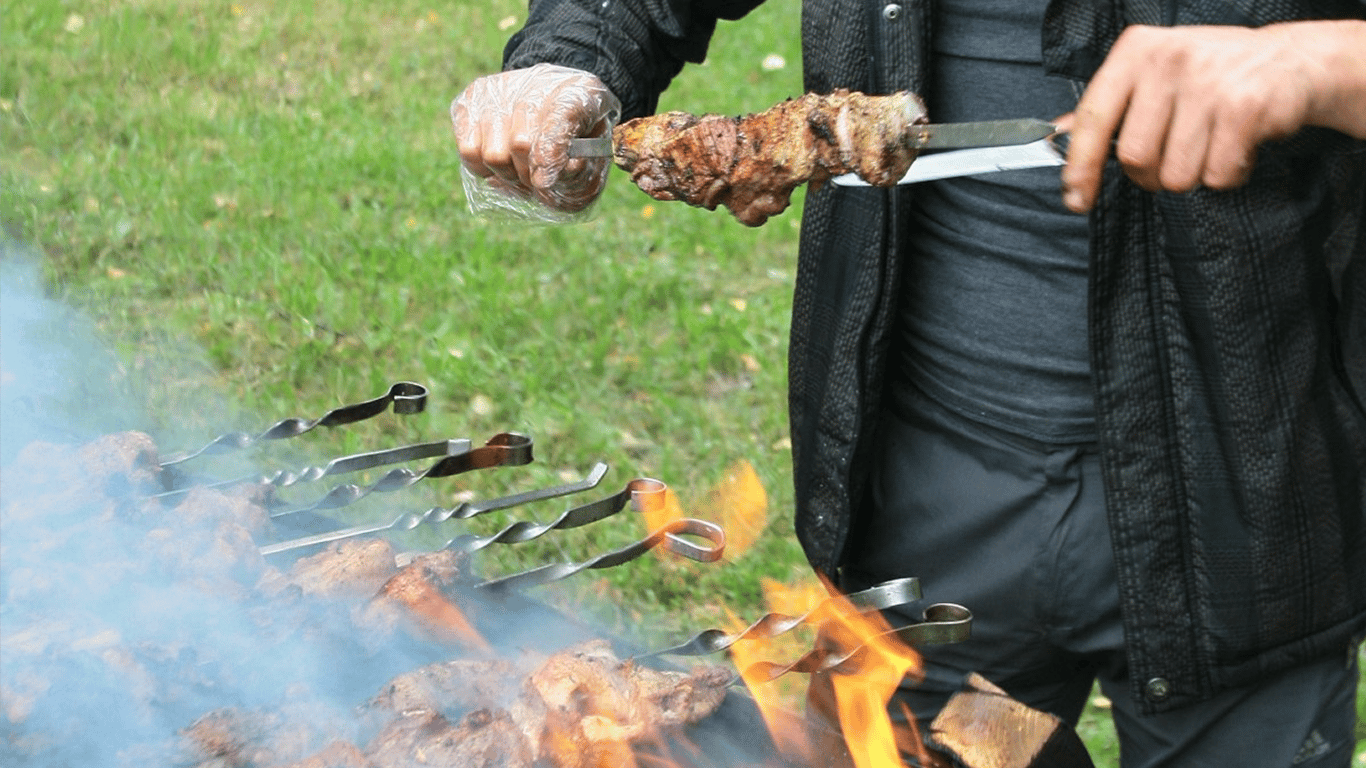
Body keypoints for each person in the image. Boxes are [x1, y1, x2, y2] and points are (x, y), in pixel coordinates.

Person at [454, 1, 1366, 765]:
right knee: (972, 743)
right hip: (928, 502)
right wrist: (569, 54)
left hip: (1252, 495)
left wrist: (1312, 60)